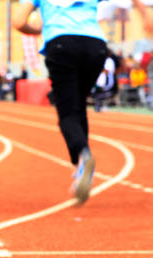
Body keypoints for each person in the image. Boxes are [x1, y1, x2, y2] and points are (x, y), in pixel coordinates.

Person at [12, 0, 153, 204]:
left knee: (68, 113)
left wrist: (35, 29)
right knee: (78, 105)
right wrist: (145, 15)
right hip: (95, 47)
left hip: (61, 45)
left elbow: (18, 21)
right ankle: (80, 166)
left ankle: (82, 157)